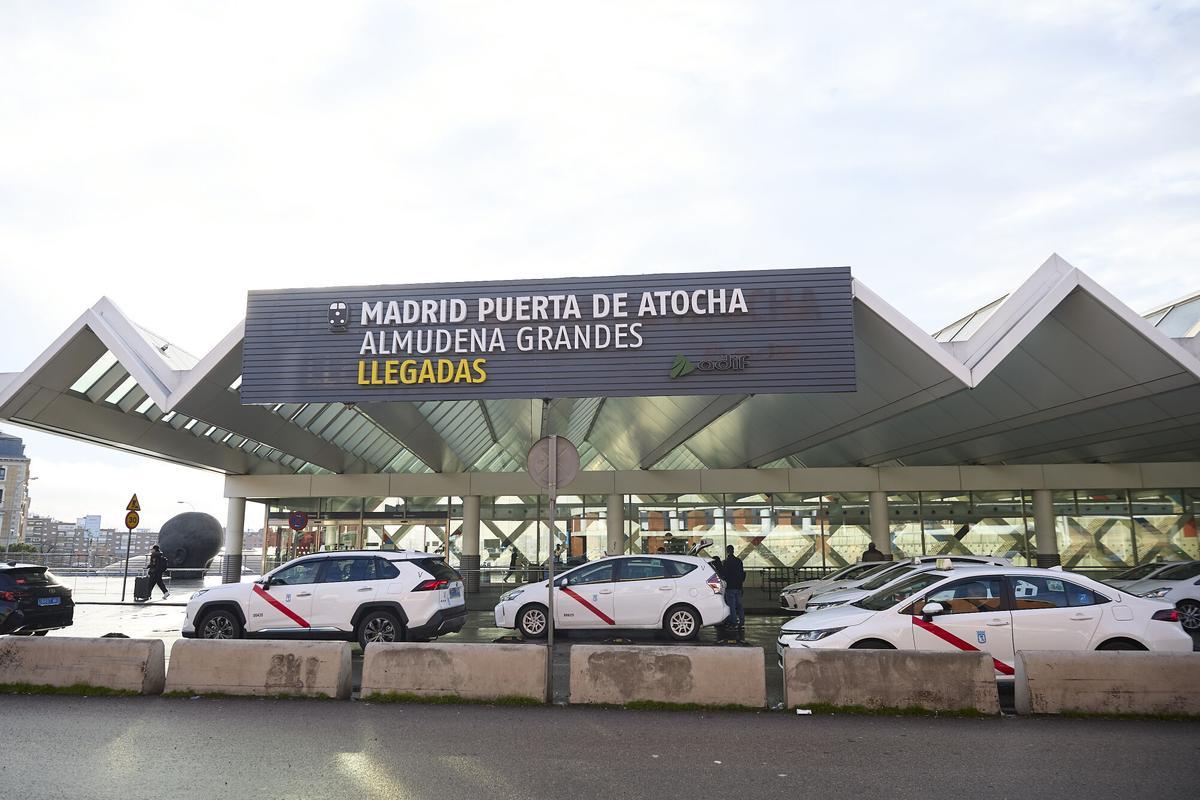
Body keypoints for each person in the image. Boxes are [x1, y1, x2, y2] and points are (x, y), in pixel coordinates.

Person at [722, 545, 745, 635]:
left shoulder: (726, 562)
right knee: (739, 605)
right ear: (733, 550)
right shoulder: (739, 561)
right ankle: (742, 622)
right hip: (738, 586)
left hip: (730, 586)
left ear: (727, 551)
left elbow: (724, 574)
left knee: (731, 605)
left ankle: (734, 622)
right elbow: (742, 574)